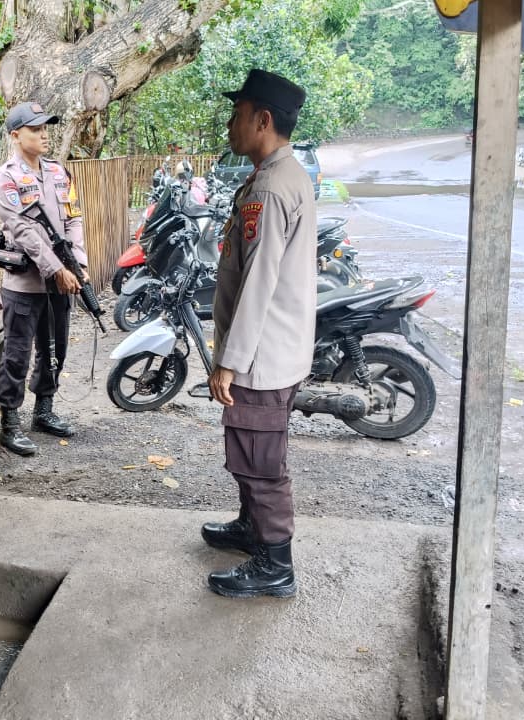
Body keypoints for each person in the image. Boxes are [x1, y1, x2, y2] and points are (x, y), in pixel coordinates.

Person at [203, 69, 317, 599]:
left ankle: (276, 563)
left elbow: (258, 282)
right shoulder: (279, 175)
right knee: (252, 450)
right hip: (273, 348)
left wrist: (229, 360)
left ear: (262, 120)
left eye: (237, 114)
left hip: (261, 355)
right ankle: (253, 528)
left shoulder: (269, 188)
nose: (230, 124)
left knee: (260, 458)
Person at [0, 101, 88, 456]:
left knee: (55, 349)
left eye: (45, 128)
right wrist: (57, 270)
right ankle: (9, 424)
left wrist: (78, 264)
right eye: (35, 129)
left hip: (62, 281)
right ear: (15, 135)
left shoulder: (59, 173)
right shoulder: (5, 180)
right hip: (24, 285)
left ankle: (43, 411)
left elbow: (73, 218)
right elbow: (23, 231)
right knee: (16, 354)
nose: (44, 134)